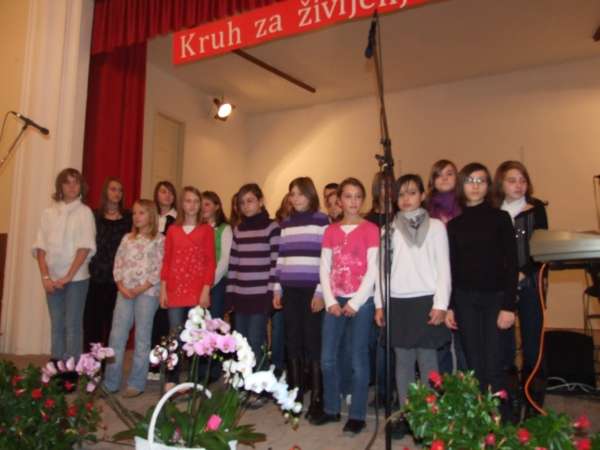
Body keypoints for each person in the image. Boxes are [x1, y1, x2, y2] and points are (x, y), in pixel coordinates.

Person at [375, 174, 451, 438]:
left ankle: (429, 419)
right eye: (401, 194)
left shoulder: (436, 227)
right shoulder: (388, 230)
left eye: (412, 193)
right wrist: (380, 304)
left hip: (426, 301)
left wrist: (441, 303)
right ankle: (407, 416)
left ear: (422, 195)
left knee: (428, 360)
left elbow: (444, 268)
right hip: (398, 302)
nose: (406, 199)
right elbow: (381, 271)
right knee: (403, 362)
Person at [445, 162, 518, 422]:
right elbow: (452, 269)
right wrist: (450, 306)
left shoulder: (501, 218)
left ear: (488, 186)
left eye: (481, 181)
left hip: (495, 300)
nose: (475, 186)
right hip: (465, 300)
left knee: (494, 364)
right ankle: (481, 423)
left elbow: (512, 265)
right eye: (470, 180)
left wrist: (509, 306)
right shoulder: (454, 225)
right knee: (474, 365)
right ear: (461, 186)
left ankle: (504, 424)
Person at [311, 178, 379, 435]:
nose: (353, 201)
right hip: (335, 300)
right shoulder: (331, 231)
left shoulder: (371, 229)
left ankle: (357, 415)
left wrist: (355, 302)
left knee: (357, 358)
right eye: (348, 196)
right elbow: (324, 267)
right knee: (327, 358)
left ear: (363, 200)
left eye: (358, 196)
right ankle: (331, 408)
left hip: (361, 301)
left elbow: (373, 270)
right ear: (339, 200)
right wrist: (330, 301)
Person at [493, 160, 548, 418]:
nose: (518, 185)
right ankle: (510, 402)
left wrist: (522, 272)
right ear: (501, 184)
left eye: (522, 180)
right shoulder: (494, 211)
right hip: (500, 287)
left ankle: (534, 404)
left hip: (530, 283)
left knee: (533, 346)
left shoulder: (536, 208)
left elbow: (542, 247)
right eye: (512, 180)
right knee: (503, 347)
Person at [273, 177, 329, 419]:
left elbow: (326, 260)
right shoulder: (286, 224)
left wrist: (320, 292)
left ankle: (317, 397)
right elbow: (281, 257)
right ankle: (295, 393)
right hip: (290, 289)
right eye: (292, 194)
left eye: (300, 193)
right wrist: (277, 289)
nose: (295, 198)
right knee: (292, 341)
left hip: (311, 290)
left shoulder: (322, 221)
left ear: (310, 195)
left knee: (312, 342)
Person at [33, 168, 96, 360]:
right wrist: (45, 277)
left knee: (72, 324)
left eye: (76, 182)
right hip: (52, 278)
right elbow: (41, 247)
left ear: (81, 186)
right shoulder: (48, 213)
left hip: (76, 279)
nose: (72, 186)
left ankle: (72, 369)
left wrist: (68, 276)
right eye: (67, 182)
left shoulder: (85, 212)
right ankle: (56, 365)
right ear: (60, 186)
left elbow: (84, 247)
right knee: (57, 324)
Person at [103, 199, 164, 397]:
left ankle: (136, 383)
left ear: (151, 216)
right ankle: (111, 382)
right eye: (135, 213)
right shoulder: (127, 238)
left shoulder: (159, 240)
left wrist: (140, 288)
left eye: (141, 213)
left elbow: (159, 268)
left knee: (142, 338)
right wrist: (121, 286)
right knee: (116, 336)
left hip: (147, 293)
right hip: (125, 292)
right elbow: (118, 264)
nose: (137, 217)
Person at [160, 186, 215, 390]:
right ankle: (171, 378)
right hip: (174, 290)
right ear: (182, 204)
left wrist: (206, 290)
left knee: (196, 336)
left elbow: (210, 263)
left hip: (196, 291)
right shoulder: (173, 230)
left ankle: (195, 378)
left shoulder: (206, 230)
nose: (192, 205)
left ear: (200, 205)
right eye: (188, 201)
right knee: (174, 335)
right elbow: (167, 261)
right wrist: (163, 289)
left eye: (196, 201)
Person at [226, 183, 280, 373]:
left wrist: (270, 294)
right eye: (242, 203)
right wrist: (230, 294)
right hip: (241, 296)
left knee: (256, 340)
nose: (246, 206)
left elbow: (275, 264)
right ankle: (243, 379)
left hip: (261, 296)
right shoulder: (239, 230)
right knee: (241, 342)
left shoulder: (272, 227)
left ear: (260, 202)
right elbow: (233, 264)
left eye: (250, 201)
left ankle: (259, 381)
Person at [425, 159, 466, 374]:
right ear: (432, 180)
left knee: (463, 339)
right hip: (434, 279)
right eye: (439, 174)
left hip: (462, 277)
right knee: (439, 341)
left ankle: (466, 388)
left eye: (449, 173)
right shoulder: (424, 210)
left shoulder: (466, 206)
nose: (444, 178)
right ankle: (441, 387)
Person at [84, 177, 131, 349]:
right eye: (113, 189)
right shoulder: (94, 216)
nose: (117, 193)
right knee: (93, 322)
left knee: (113, 323)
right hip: (96, 275)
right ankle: (91, 361)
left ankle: (109, 362)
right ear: (105, 192)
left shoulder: (129, 218)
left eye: (120, 190)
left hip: (118, 279)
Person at [148, 181, 178, 380]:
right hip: (148, 277)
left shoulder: (176, 220)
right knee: (149, 322)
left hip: (168, 276)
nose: (167, 196)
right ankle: (151, 363)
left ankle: (165, 365)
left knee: (165, 322)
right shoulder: (150, 217)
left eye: (170, 193)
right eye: (163, 192)